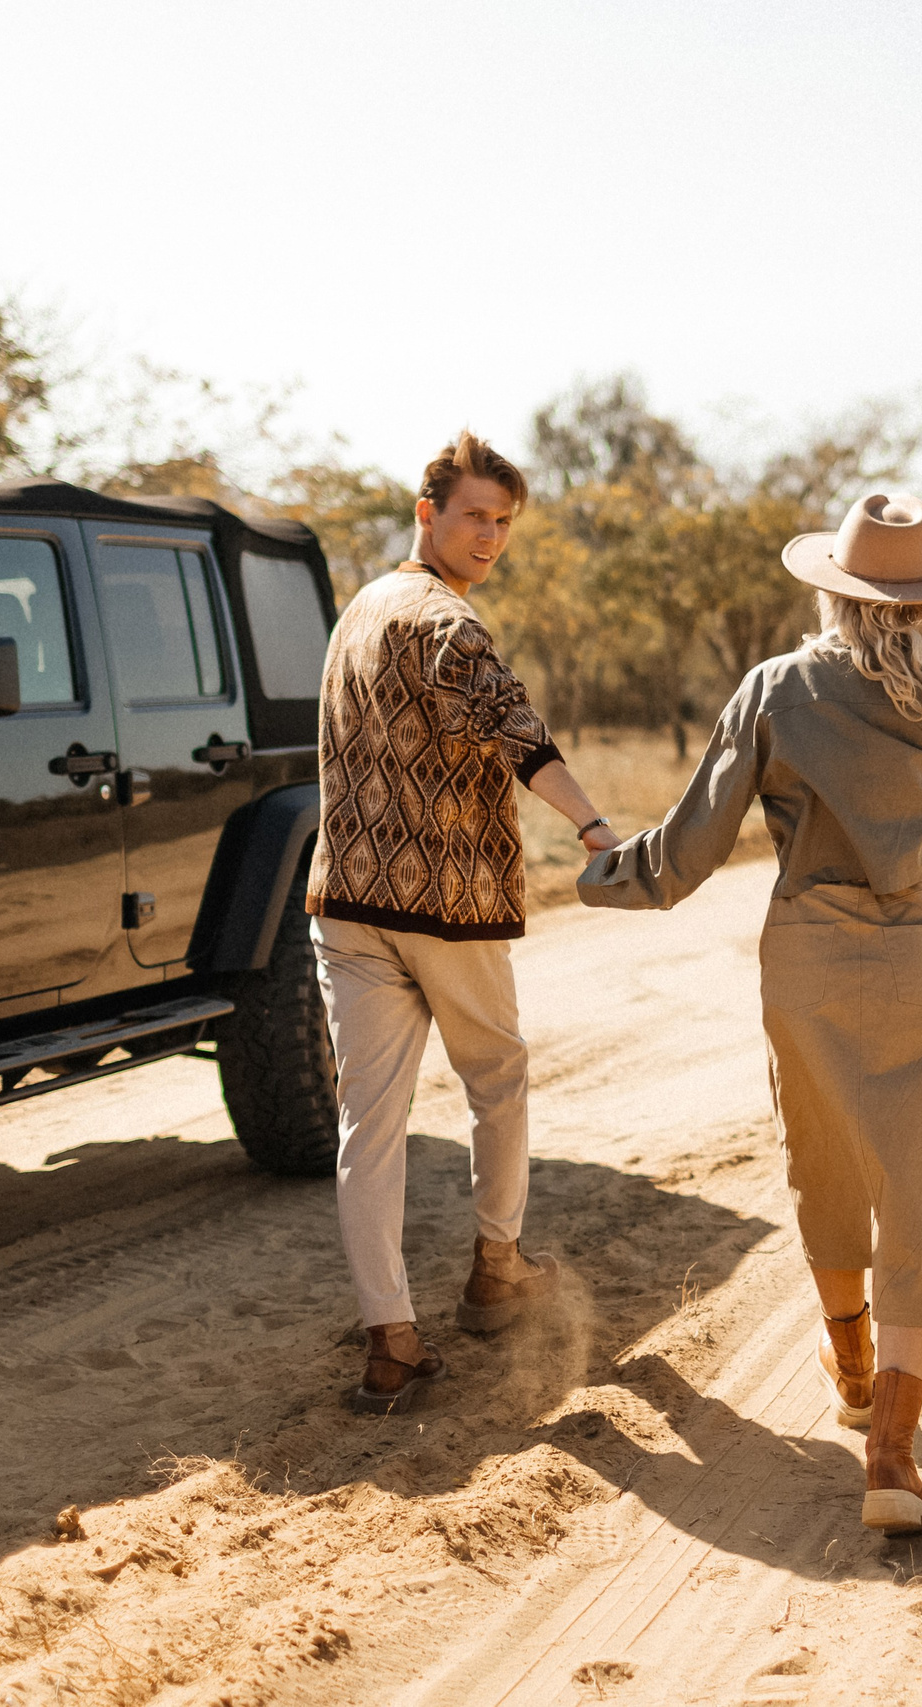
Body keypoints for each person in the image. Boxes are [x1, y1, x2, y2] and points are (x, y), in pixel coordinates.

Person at [577, 491, 922, 1533]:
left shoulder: (775, 687)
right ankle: (891, 1458)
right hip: (918, 957)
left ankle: (852, 1365)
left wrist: (601, 872)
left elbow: (688, 848)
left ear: (832, 593)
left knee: (821, 1161)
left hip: (807, 958)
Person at [306, 429, 619, 1414]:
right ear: (426, 513)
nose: (490, 536)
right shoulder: (448, 623)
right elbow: (521, 739)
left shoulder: (358, 611)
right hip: (446, 903)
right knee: (498, 1077)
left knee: (368, 1125)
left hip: (345, 901)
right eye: (475, 515)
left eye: (503, 521)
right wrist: (595, 828)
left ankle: (390, 1339)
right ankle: (497, 1268)